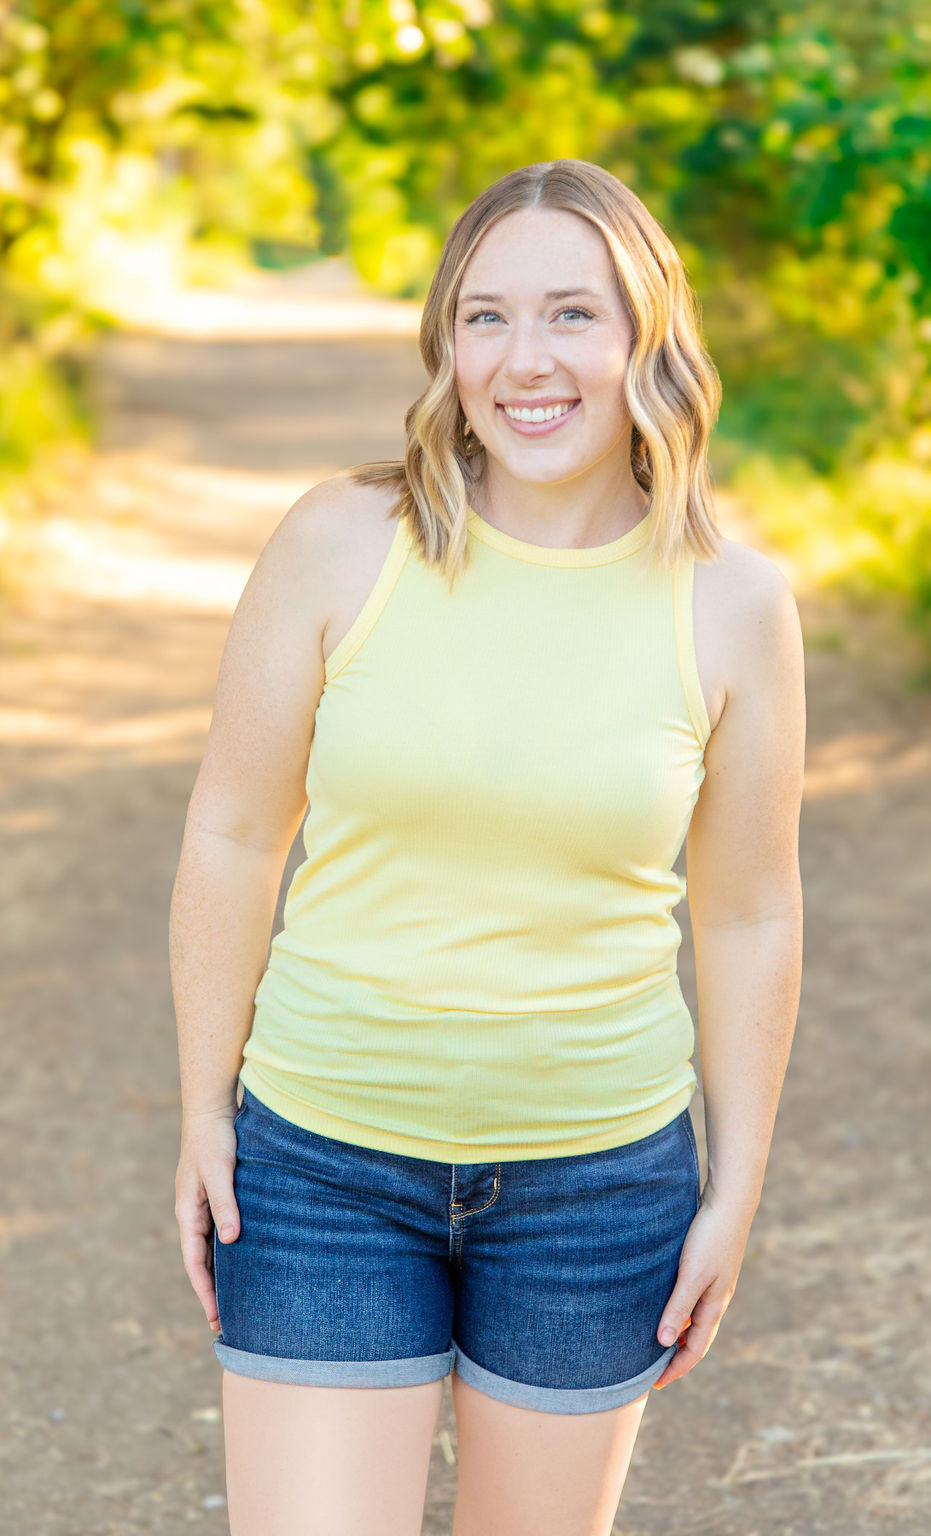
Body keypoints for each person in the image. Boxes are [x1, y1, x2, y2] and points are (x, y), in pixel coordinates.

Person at [170, 159, 805, 1536]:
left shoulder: (734, 606)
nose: (527, 361)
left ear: (649, 336)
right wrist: (202, 1110)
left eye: (574, 314)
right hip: (326, 1163)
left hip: (598, 1187)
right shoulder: (344, 543)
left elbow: (752, 911)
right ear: (447, 345)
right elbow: (231, 831)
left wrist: (737, 1188)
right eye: (485, 317)